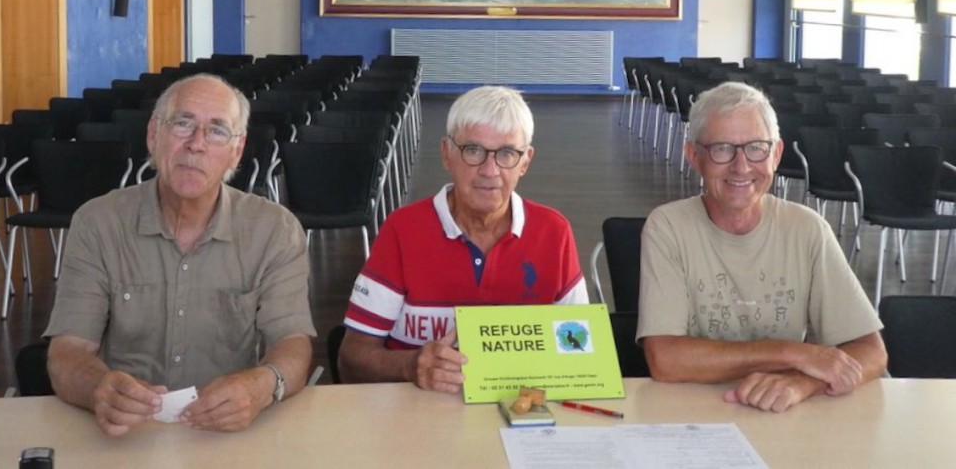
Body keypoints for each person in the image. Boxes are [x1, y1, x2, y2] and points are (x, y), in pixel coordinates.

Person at [45, 73, 315, 436]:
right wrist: (99, 389)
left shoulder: (274, 231)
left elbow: (292, 343)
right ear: (153, 135)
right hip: (126, 431)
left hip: (227, 432)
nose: (196, 144)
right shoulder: (98, 223)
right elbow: (68, 350)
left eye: (217, 130)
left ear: (237, 149)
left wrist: (263, 386)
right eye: (183, 124)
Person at [637, 81, 887, 413]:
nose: (741, 167)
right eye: (722, 148)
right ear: (694, 156)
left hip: (783, 413)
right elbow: (666, 360)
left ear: (777, 154)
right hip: (691, 410)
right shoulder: (667, 227)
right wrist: (794, 353)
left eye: (756, 148)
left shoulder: (808, 229)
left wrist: (803, 382)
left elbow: (871, 351)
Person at [339, 85, 588, 393]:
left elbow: (580, 352)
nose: (489, 170)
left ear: (525, 162)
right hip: (417, 418)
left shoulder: (554, 232)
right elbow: (350, 359)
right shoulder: (402, 230)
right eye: (473, 150)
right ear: (446, 153)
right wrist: (409, 366)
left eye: (507, 153)